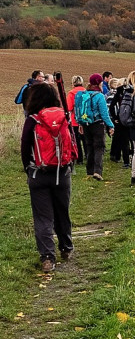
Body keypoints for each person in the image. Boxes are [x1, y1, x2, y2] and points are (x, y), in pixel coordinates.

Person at [20, 82, 77, 273]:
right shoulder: (63, 116)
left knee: (43, 218)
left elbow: (25, 146)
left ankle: (47, 258)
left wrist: (28, 168)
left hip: (38, 173)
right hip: (62, 172)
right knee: (63, 211)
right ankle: (66, 248)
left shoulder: (32, 120)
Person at [76, 73, 115, 181]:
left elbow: (79, 110)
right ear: (99, 83)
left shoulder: (83, 94)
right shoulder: (99, 96)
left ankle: (89, 171)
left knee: (89, 147)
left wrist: (80, 124)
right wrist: (111, 126)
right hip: (97, 124)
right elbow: (104, 114)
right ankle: (97, 171)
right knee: (99, 147)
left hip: (85, 124)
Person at [108, 78, 133, 168]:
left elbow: (111, 106)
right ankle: (130, 159)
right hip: (128, 119)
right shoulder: (130, 92)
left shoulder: (118, 92)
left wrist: (115, 117)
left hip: (119, 119)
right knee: (129, 140)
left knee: (121, 141)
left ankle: (121, 159)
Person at [65, 75, 86, 165]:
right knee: (86, 140)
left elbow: (68, 107)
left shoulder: (72, 93)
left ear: (73, 83)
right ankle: (89, 156)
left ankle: (79, 159)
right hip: (85, 118)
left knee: (76, 141)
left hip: (75, 120)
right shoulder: (86, 91)